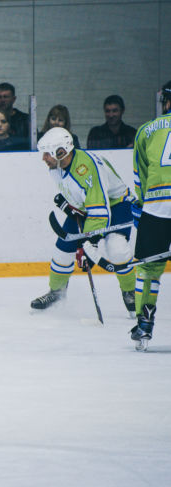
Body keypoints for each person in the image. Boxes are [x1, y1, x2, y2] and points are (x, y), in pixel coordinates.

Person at [30, 127, 135, 315]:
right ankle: (56, 292)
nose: (43, 158)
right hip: (88, 210)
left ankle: (130, 292)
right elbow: (79, 196)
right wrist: (68, 206)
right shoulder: (57, 165)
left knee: (117, 249)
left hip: (117, 206)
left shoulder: (87, 169)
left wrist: (89, 243)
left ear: (61, 152)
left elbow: (100, 210)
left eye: (47, 153)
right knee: (63, 250)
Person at [128, 81, 171, 350]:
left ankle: (144, 323)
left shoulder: (146, 130)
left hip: (157, 206)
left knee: (149, 267)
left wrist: (142, 207)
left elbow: (140, 175)